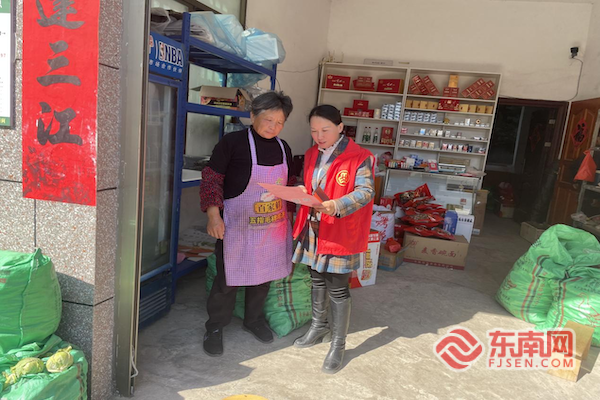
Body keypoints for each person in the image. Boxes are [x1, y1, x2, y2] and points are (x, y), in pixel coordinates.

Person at [200, 91, 295, 357]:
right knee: (227, 280)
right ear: (252, 115)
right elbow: (211, 179)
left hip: (271, 226)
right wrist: (213, 215)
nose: (273, 127)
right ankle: (215, 326)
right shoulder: (232, 143)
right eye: (268, 120)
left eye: (279, 122)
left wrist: (294, 215)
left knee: (263, 276)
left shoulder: (283, 148)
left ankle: (253, 320)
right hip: (237, 225)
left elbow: (288, 185)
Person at [292, 104, 375, 373]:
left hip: (339, 229)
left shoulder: (359, 156)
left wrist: (336, 205)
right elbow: (309, 184)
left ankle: (338, 344)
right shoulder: (311, 154)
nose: (319, 136)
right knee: (316, 278)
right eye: (314, 131)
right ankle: (319, 327)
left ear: (340, 127)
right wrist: (299, 190)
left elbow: (366, 191)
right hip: (313, 227)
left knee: (338, 289)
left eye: (325, 130)